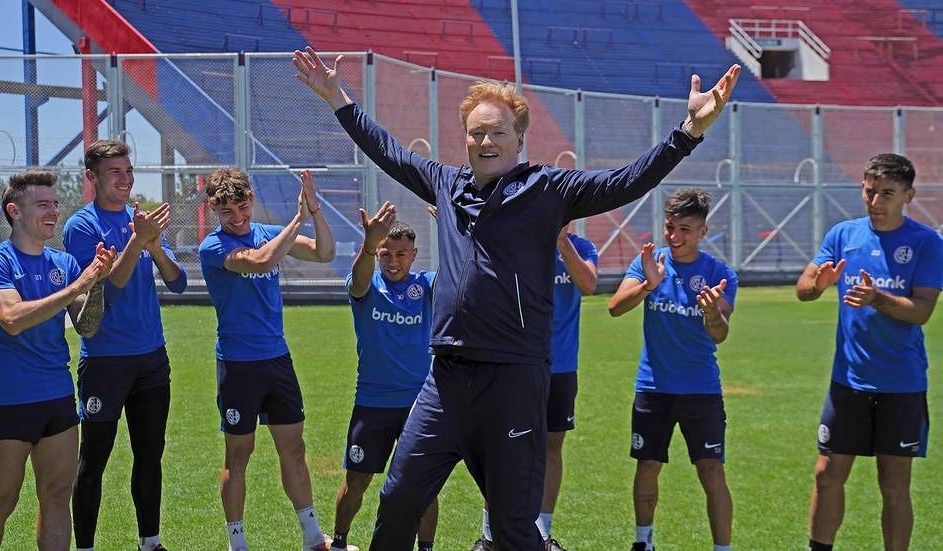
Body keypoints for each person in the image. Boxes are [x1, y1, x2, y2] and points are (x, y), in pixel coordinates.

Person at [294, 45, 740, 550]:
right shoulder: (444, 183)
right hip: (445, 380)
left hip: (514, 381)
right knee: (398, 500)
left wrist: (688, 133)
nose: (486, 140)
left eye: (497, 131)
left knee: (512, 526)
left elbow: (625, 182)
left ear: (520, 138)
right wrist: (337, 98)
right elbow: (389, 151)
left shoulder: (548, 188)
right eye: (477, 131)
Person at [796, 154, 942, 551]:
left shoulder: (927, 243)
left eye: (888, 194)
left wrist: (877, 298)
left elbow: (923, 311)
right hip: (848, 381)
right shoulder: (843, 234)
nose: (876, 202)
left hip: (900, 384)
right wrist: (819, 285)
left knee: (893, 483)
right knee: (827, 474)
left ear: (908, 195)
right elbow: (804, 288)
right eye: (870, 191)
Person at [0, 171, 114, 550]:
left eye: (54, 204)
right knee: (1, 503)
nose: (53, 211)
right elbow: (12, 319)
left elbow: (87, 326)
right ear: (14, 211)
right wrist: (76, 286)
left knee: (55, 497)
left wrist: (96, 281)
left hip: (58, 400)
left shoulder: (63, 263)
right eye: (43, 204)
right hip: (11, 402)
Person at [198, 167, 337, 551]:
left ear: (252, 200)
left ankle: (313, 539)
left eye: (243, 207)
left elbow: (325, 253)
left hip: (277, 361)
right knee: (239, 456)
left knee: (293, 449)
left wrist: (315, 211)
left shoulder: (267, 234)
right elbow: (258, 262)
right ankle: (237, 544)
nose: (238, 217)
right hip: (238, 366)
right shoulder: (213, 247)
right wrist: (297, 221)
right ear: (214, 209)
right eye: (228, 212)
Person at [63, 140, 187, 551]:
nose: (125, 178)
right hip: (105, 361)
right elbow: (106, 288)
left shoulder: (142, 222)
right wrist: (139, 241)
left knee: (150, 455)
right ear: (92, 178)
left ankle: (150, 543)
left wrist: (154, 245)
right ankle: (85, 547)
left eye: (129, 170)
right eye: (115, 172)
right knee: (93, 459)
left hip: (152, 358)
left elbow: (178, 281)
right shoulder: (82, 226)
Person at [607, 188, 737, 551]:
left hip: (701, 390)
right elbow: (616, 307)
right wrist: (650, 285)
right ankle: (643, 542)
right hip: (653, 387)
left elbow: (721, 333)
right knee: (647, 465)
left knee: (711, 470)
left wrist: (713, 314)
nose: (675, 237)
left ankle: (721, 548)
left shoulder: (719, 273)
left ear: (702, 232)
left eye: (685, 230)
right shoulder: (650, 262)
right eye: (670, 227)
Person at [472, 226, 598, 551]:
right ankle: (489, 535)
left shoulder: (582, 248)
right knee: (504, 449)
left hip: (561, 367)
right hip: (518, 364)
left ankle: (542, 534)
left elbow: (588, 285)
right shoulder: (519, 242)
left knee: (551, 448)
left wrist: (560, 242)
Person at [331, 201, 438, 551]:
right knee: (357, 480)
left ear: (414, 254)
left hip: (418, 406)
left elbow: (462, 271)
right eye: (385, 254)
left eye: (401, 254)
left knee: (422, 485)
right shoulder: (368, 286)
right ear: (376, 253)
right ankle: (341, 542)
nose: (393, 262)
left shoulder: (425, 285)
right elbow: (358, 282)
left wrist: (453, 230)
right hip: (372, 404)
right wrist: (367, 244)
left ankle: (425, 548)